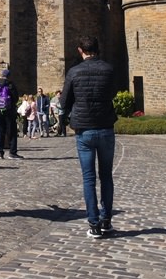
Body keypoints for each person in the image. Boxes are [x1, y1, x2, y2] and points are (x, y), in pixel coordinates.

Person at [61, 35, 118, 239]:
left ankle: (93, 224)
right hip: (105, 127)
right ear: (97, 49)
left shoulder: (74, 72)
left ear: (80, 50)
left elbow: (64, 101)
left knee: (88, 178)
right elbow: (112, 93)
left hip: (84, 130)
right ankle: (106, 220)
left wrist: (70, 115)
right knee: (106, 176)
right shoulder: (108, 70)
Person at [0, 69, 22, 159]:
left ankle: (0, 153)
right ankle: (12, 152)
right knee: (12, 131)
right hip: (9, 111)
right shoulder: (10, 84)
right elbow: (16, 98)